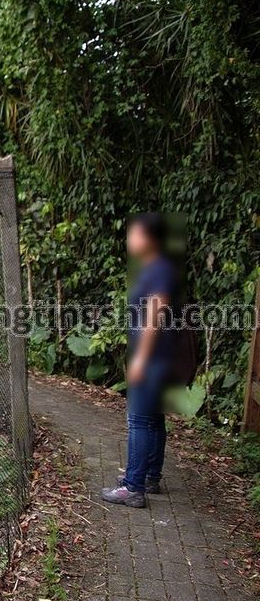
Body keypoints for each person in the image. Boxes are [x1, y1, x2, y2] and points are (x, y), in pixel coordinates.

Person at [101, 213, 182, 508]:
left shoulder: (159, 269)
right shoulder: (156, 268)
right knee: (153, 418)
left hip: (153, 358)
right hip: (159, 358)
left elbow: (154, 316)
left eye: (134, 234)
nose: (129, 240)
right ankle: (150, 477)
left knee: (138, 420)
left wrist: (141, 360)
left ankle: (133, 487)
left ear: (149, 238)